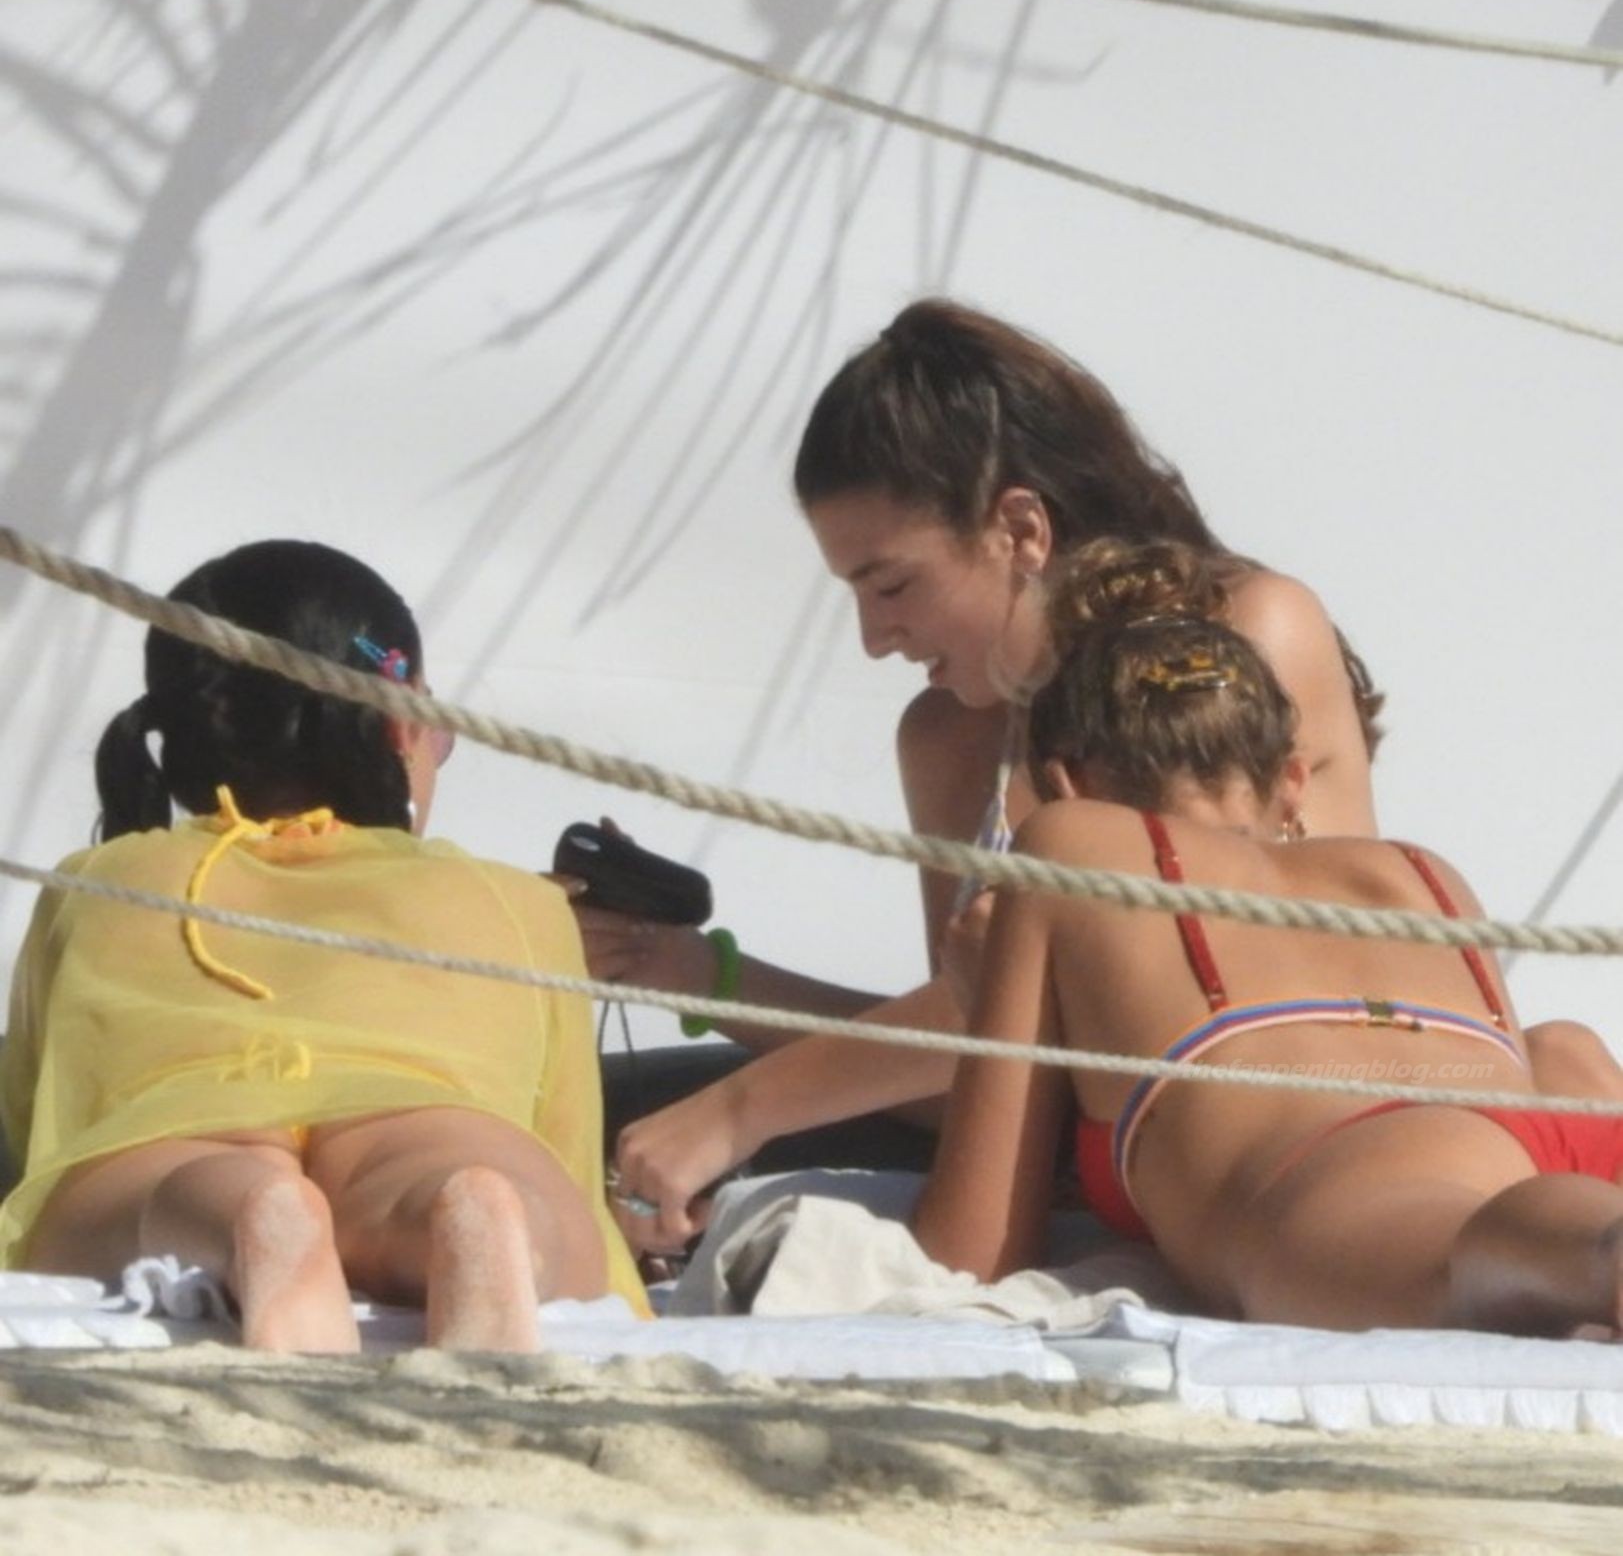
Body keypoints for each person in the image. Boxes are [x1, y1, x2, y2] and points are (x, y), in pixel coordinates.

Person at [602, 302, 1617, 1244]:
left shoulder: (1240, 639)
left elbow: (1230, 1004)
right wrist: (700, 977)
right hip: (1108, 1161)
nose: (873, 638)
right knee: (615, 1113)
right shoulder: (948, 740)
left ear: (1020, 531)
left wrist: (741, 1109)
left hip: (1329, 1151)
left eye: (894, 584)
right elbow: (994, 1075)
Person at [908, 539, 1623, 1335]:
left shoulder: (1072, 844)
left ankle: (1601, 1256)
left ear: (1062, 782)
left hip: (1363, 1173)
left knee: (1465, 1260)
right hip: (1552, 1129)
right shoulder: (1419, 873)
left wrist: (984, 1012)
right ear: (1291, 779)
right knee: (1525, 1166)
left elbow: (970, 1249)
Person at [0, 540, 646, 1351]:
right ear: (400, 726)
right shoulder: (516, 901)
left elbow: (38, 1112)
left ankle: (242, 1208)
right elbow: (562, 1135)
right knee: (492, 1170)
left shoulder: (98, 882)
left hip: (177, 1125)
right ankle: (470, 1201)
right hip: (433, 1119)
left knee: (169, 1189)